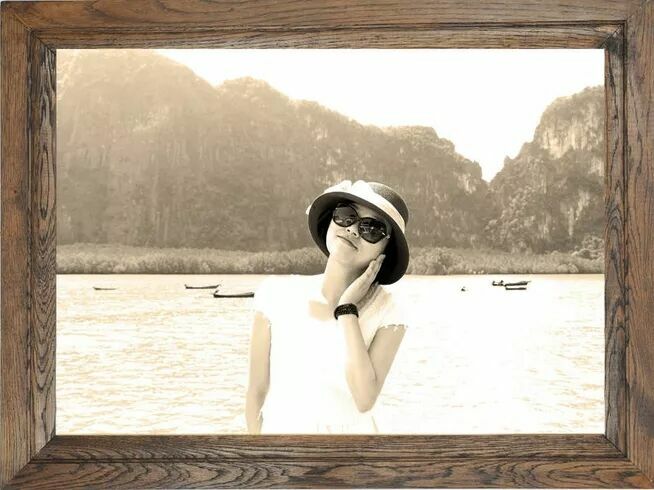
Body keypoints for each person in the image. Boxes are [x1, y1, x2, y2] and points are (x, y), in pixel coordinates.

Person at [245, 179, 410, 434]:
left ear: (386, 250)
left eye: (372, 229)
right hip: (282, 446)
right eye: (346, 216)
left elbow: (364, 399)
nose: (352, 229)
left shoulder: (388, 310)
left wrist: (347, 310)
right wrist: (257, 453)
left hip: (352, 450)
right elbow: (256, 391)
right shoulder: (275, 294)